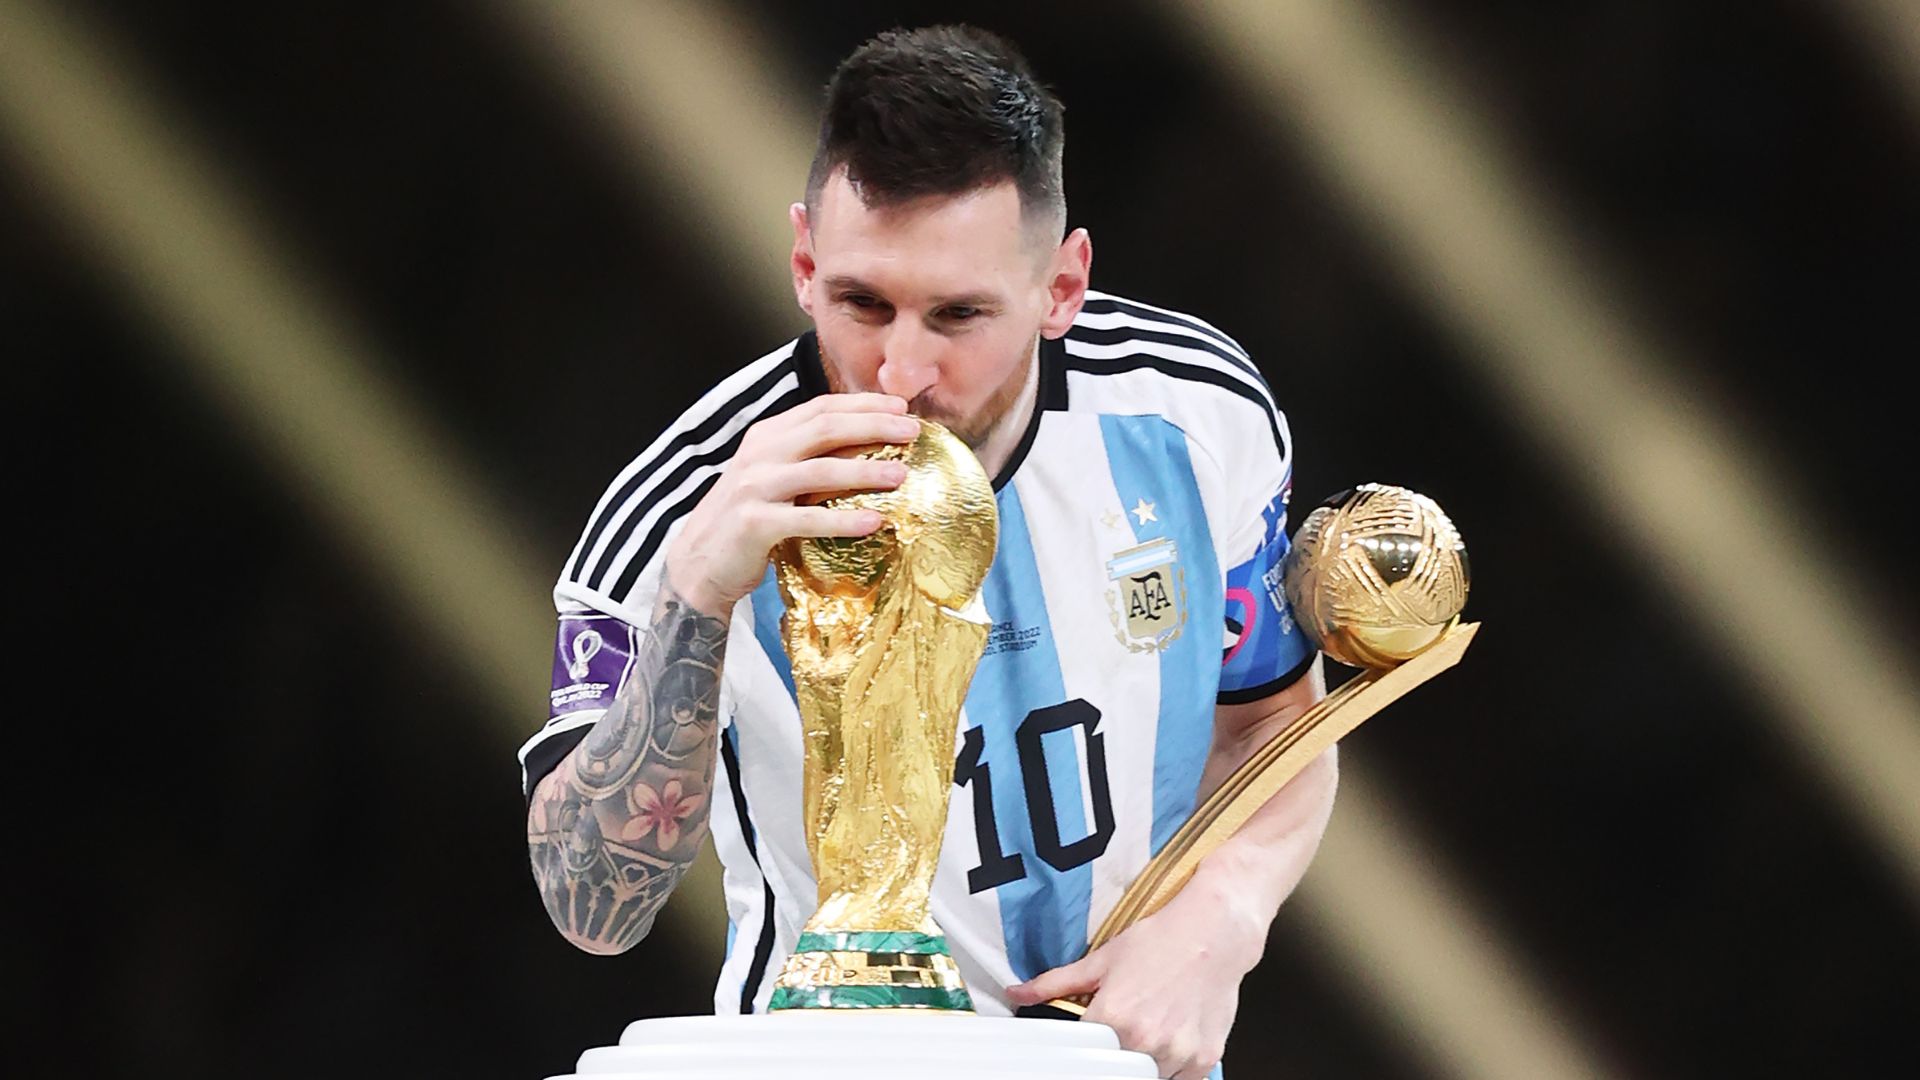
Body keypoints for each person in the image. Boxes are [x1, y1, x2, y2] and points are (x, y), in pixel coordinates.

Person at [520, 25, 1337, 1080]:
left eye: (958, 315)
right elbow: (591, 904)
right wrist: (698, 592)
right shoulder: (684, 508)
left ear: (1063, 286)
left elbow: (1274, 723)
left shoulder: (1196, 414)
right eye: (862, 303)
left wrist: (1224, 915)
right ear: (804, 264)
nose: (901, 371)